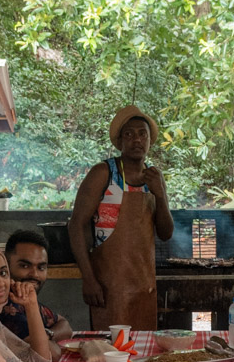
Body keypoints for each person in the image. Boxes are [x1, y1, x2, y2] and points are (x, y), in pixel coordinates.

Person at [68, 105, 174, 330]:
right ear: (120, 141)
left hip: (143, 284)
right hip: (108, 285)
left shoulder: (154, 177)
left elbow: (166, 233)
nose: (137, 139)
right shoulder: (103, 173)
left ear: (149, 141)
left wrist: (160, 194)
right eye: (129, 134)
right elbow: (76, 225)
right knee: (110, 351)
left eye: (142, 134)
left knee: (143, 351)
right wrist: (88, 279)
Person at [0, 227, 74, 358]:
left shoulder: (25, 298)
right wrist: (47, 339)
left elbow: (65, 325)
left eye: (41, 267)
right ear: (6, 265)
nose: (34, 274)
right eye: (24, 266)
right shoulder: (7, 305)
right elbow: (53, 354)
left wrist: (46, 334)